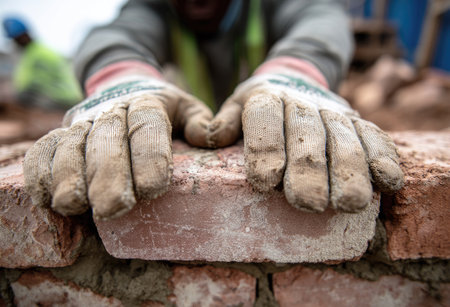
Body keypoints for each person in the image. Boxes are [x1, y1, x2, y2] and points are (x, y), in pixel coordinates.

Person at [23, 0, 404, 220]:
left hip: (270, 107)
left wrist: (295, 74)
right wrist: (122, 80)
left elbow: (321, 20)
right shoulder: (153, 9)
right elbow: (112, 37)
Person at [2, 17, 82, 110]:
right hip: (64, 96)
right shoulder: (32, 52)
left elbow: (26, 83)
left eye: (18, 38)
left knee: (24, 96)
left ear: (25, 35)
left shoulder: (39, 54)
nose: (15, 42)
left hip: (64, 97)